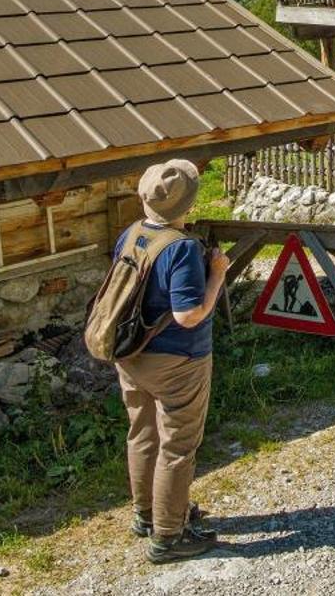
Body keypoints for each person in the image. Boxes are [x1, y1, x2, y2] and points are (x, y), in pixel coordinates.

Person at [113, 159, 227, 563]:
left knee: (142, 434)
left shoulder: (132, 234)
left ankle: (146, 515)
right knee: (178, 445)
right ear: (188, 205)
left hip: (130, 353)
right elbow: (188, 314)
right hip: (178, 359)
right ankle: (169, 536)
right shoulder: (182, 248)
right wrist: (216, 275)